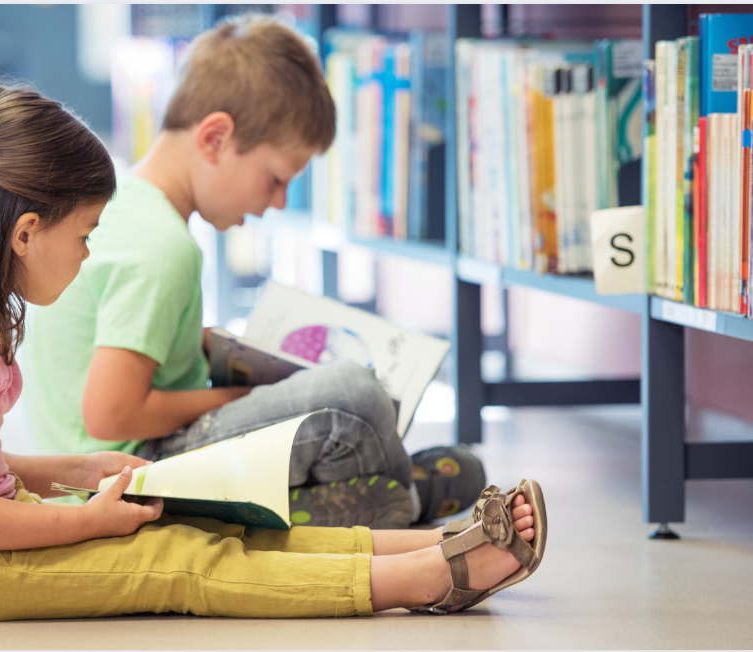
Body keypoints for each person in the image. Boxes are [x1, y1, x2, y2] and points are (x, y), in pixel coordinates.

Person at [0, 83, 545, 622]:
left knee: (205, 525)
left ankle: (432, 543)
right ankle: (424, 579)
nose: (88, 256)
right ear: (25, 233)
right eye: (85, 236)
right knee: (175, 561)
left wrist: (79, 470)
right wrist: (83, 519)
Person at [24, 15, 486, 530]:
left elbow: (113, 341)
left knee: (418, 443)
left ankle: (368, 497)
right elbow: (110, 414)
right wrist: (248, 397)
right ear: (216, 139)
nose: (278, 201)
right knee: (356, 396)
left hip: (92, 473)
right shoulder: (162, 246)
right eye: (275, 178)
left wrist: (207, 344)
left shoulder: (125, 208)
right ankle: (399, 497)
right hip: (134, 474)